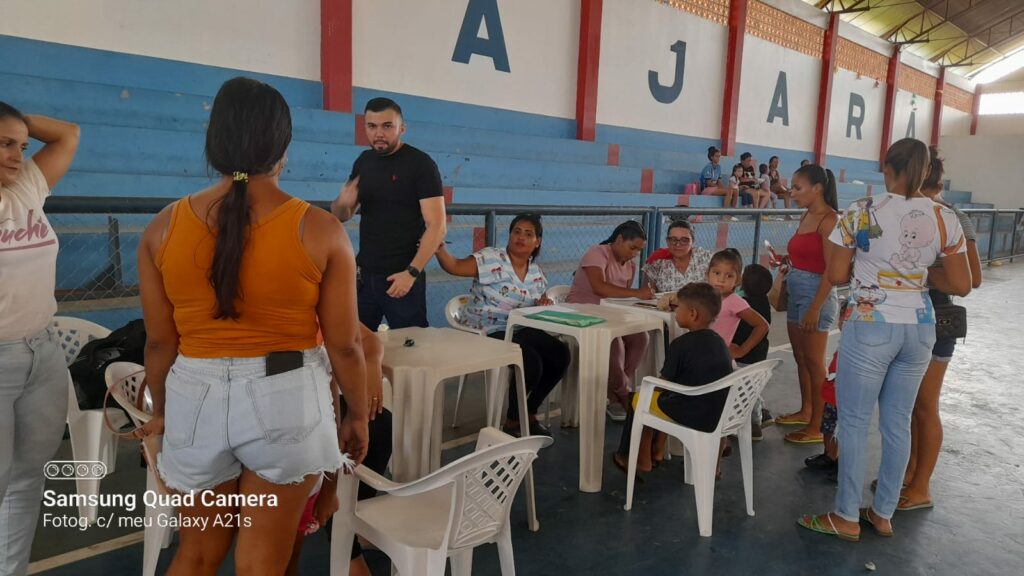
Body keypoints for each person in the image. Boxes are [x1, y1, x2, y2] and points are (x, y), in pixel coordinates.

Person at [134, 77, 370, 575]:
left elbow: (159, 342)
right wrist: (356, 413)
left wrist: (163, 410)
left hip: (193, 395)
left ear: (213, 144)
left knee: (196, 555)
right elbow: (346, 346)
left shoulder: (162, 228)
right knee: (262, 562)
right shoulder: (320, 229)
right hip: (287, 395)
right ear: (283, 148)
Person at [799, 138, 971, 541]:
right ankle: (883, 513)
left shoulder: (862, 210)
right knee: (897, 422)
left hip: (871, 322)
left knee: (855, 422)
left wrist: (873, 269)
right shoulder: (944, 217)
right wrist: (916, 275)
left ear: (886, 168)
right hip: (920, 327)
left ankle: (845, 516)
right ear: (926, 171)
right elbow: (962, 283)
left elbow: (836, 275)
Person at [0, 105, 80, 576]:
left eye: (22, 145)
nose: (17, 155)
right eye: (4, 144)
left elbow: (68, 133)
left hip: (42, 351)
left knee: (28, 478)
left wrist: (12, 119)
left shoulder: (26, 186)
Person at [899, 147, 983, 512]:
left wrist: (920, 273)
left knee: (925, 405)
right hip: (910, 314)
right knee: (911, 404)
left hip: (936, 316)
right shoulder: (912, 212)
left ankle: (922, 486)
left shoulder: (952, 217)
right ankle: (910, 472)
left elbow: (971, 278)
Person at [436, 214, 569, 436]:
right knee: (530, 362)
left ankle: (528, 411)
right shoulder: (490, 258)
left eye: (528, 234)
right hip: (486, 330)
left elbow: (538, 299)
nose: (521, 237)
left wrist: (543, 302)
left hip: (519, 328)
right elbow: (455, 266)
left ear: (537, 242)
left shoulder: (535, 272)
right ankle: (514, 420)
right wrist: (439, 249)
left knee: (560, 354)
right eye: (516, 231)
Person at [331, 97, 447, 330]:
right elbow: (342, 215)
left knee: (411, 346)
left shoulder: (420, 164)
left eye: (387, 126)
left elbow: (437, 225)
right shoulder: (364, 161)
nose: (379, 134)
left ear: (402, 128)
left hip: (402, 276)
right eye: (372, 126)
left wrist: (411, 273)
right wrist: (342, 202)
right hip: (364, 277)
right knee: (354, 343)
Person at [286, 325, 392, 576]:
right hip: (285, 402)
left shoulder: (319, 309)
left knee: (379, 424)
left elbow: (367, 339)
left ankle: (349, 525)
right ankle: (346, 543)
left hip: (313, 394)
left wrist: (372, 365)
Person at [611, 282, 734, 474]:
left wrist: (645, 390)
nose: (675, 312)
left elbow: (663, 383)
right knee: (665, 399)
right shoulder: (720, 342)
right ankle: (660, 451)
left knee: (639, 399)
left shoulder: (680, 344)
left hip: (691, 413)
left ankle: (638, 460)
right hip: (719, 412)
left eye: (678, 308)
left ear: (692, 314)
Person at [774, 163, 840, 445]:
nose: (792, 192)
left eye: (797, 188)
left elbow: (831, 270)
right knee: (801, 357)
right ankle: (806, 410)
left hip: (816, 296)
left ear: (817, 189)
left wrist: (815, 308)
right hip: (797, 290)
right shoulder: (806, 215)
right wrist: (787, 262)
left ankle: (818, 425)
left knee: (815, 363)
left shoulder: (830, 220)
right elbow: (804, 255)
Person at [567, 221, 654, 421]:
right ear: (619, 239)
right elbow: (600, 288)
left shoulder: (630, 265)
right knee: (614, 343)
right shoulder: (597, 253)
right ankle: (623, 394)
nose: (634, 254)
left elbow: (620, 298)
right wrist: (638, 293)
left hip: (610, 316)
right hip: (582, 312)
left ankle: (612, 391)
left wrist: (637, 296)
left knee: (641, 337)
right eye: (632, 248)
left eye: (638, 250)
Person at [805, 300, 851, 476]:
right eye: (843, 317)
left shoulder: (858, 350)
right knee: (828, 428)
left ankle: (840, 463)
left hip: (845, 399)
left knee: (842, 431)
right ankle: (829, 455)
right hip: (832, 396)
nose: (844, 322)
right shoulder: (843, 344)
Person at [731, 264, 774, 441]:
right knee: (752, 387)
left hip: (743, 354)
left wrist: (739, 349)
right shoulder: (764, 302)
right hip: (759, 354)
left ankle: (752, 425)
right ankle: (760, 417)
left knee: (743, 391)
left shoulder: (743, 306)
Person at [708, 249, 769, 363]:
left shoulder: (735, 302)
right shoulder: (703, 296)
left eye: (729, 276)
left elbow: (762, 326)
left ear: (738, 280)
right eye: (717, 273)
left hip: (719, 360)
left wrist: (742, 350)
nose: (721, 279)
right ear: (707, 273)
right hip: (700, 355)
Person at [642, 220, 713, 293]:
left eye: (684, 240)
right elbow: (647, 293)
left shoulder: (706, 258)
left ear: (693, 241)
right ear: (667, 241)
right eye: (673, 240)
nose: (678, 244)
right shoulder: (657, 262)